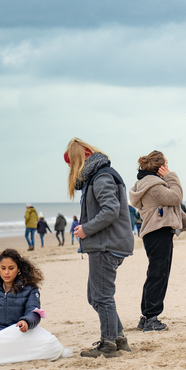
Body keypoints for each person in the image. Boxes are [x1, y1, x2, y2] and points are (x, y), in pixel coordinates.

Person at [65, 137, 134, 358]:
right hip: (107, 243)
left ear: (80, 161)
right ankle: (119, 337)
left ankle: (109, 343)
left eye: (72, 166)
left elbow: (110, 210)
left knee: (102, 296)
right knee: (96, 296)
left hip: (107, 245)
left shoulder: (101, 177)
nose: (72, 172)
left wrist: (86, 228)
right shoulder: (99, 175)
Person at [129, 150, 186, 331]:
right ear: (160, 167)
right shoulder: (154, 186)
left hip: (156, 232)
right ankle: (151, 318)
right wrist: (171, 176)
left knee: (155, 274)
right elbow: (176, 197)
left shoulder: (147, 183)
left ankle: (146, 316)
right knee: (158, 275)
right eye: (166, 164)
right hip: (157, 232)